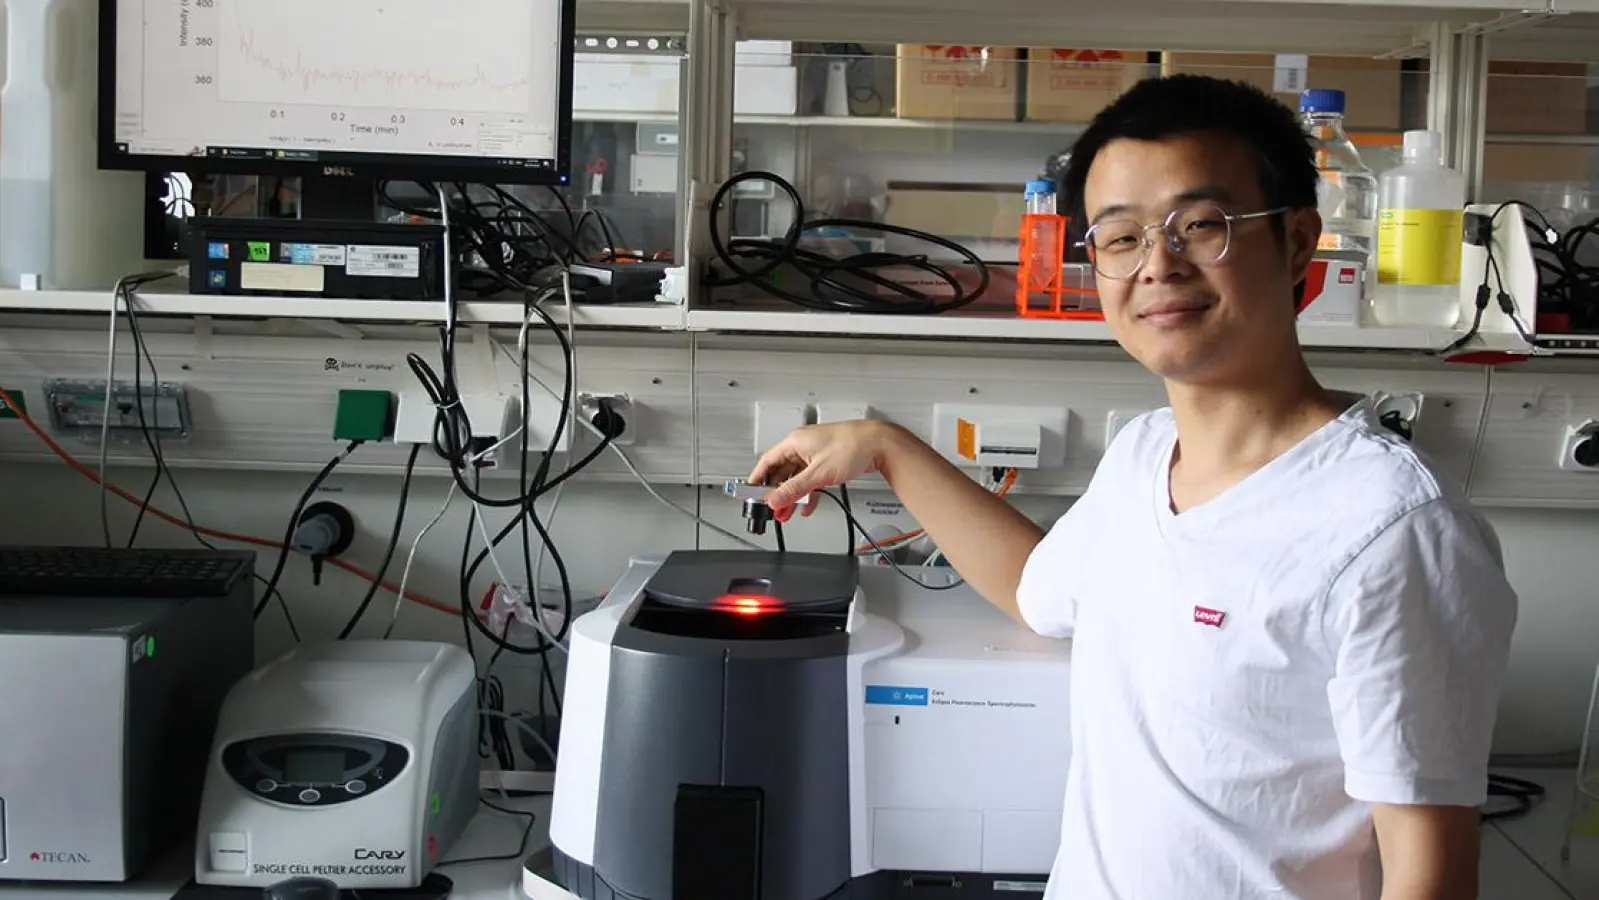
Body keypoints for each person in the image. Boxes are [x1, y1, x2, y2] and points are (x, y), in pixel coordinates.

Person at [749, 74, 1519, 900]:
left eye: (1200, 226)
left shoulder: (1391, 527)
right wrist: (884, 448)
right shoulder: (1143, 457)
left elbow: (1428, 876)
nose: (1157, 264)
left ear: (1298, 241)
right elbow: (1033, 588)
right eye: (1119, 238)